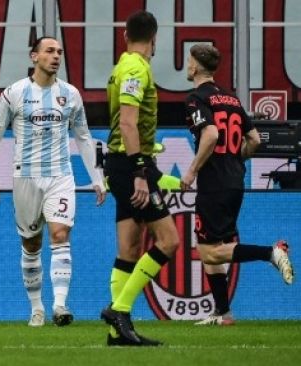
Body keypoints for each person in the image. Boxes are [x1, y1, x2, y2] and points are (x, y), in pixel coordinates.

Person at [0, 36, 106, 328]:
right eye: (49, 51)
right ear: (33, 56)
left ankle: (60, 305)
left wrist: (98, 178)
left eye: (59, 52)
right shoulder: (13, 93)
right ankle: (37, 308)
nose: (56, 56)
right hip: (25, 176)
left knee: (61, 234)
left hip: (60, 175)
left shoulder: (71, 94)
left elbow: (84, 137)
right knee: (31, 243)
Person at [181, 43, 294, 325]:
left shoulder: (196, 98)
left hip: (214, 182)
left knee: (210, 251)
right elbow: (254, 140)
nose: (187, 66)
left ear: (195, 66)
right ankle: (223, 313)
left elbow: (210, 135)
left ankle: (271, 252)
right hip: (235, 178)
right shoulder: (232, 100)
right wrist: (234, 156)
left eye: (188, 61)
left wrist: (192, 170)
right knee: (216, 248)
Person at [101, 10, 180, 346]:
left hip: (121, 163)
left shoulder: (123, 65)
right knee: (169, 240)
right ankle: (120, 310)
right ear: (155, 38)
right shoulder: (135, 68)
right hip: (129, 166)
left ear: (125, 35)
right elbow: (130, 123)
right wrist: (140, 172)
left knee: (129, 248)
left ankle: (117, 332)